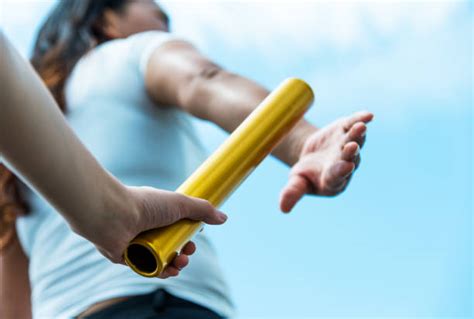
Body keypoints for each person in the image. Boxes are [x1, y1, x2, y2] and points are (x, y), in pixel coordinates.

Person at [2, 0, 373, 318]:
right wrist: (302, 141)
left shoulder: (17, 149)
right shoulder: (131, 54)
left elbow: (11, 302)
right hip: (165, 305)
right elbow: (204, 79)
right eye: (157, 14)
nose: (166, 26)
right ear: (106, 19)